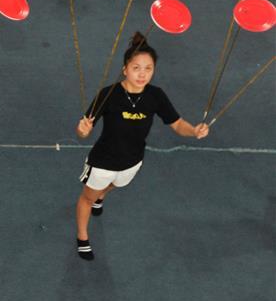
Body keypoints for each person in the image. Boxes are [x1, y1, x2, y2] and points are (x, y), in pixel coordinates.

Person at [74, 32, 209, 261]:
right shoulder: (108, 94)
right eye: (136, 68)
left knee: (114, 186)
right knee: (87, 198)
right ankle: (82, 236)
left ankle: (101, 196)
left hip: (132, 161)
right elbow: (83, 128)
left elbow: (177, 124)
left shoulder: (155, 96)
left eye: (148, 68)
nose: (142, 74)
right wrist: (82, 131)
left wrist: (194, 131)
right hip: (103, 161)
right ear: (125, 69)